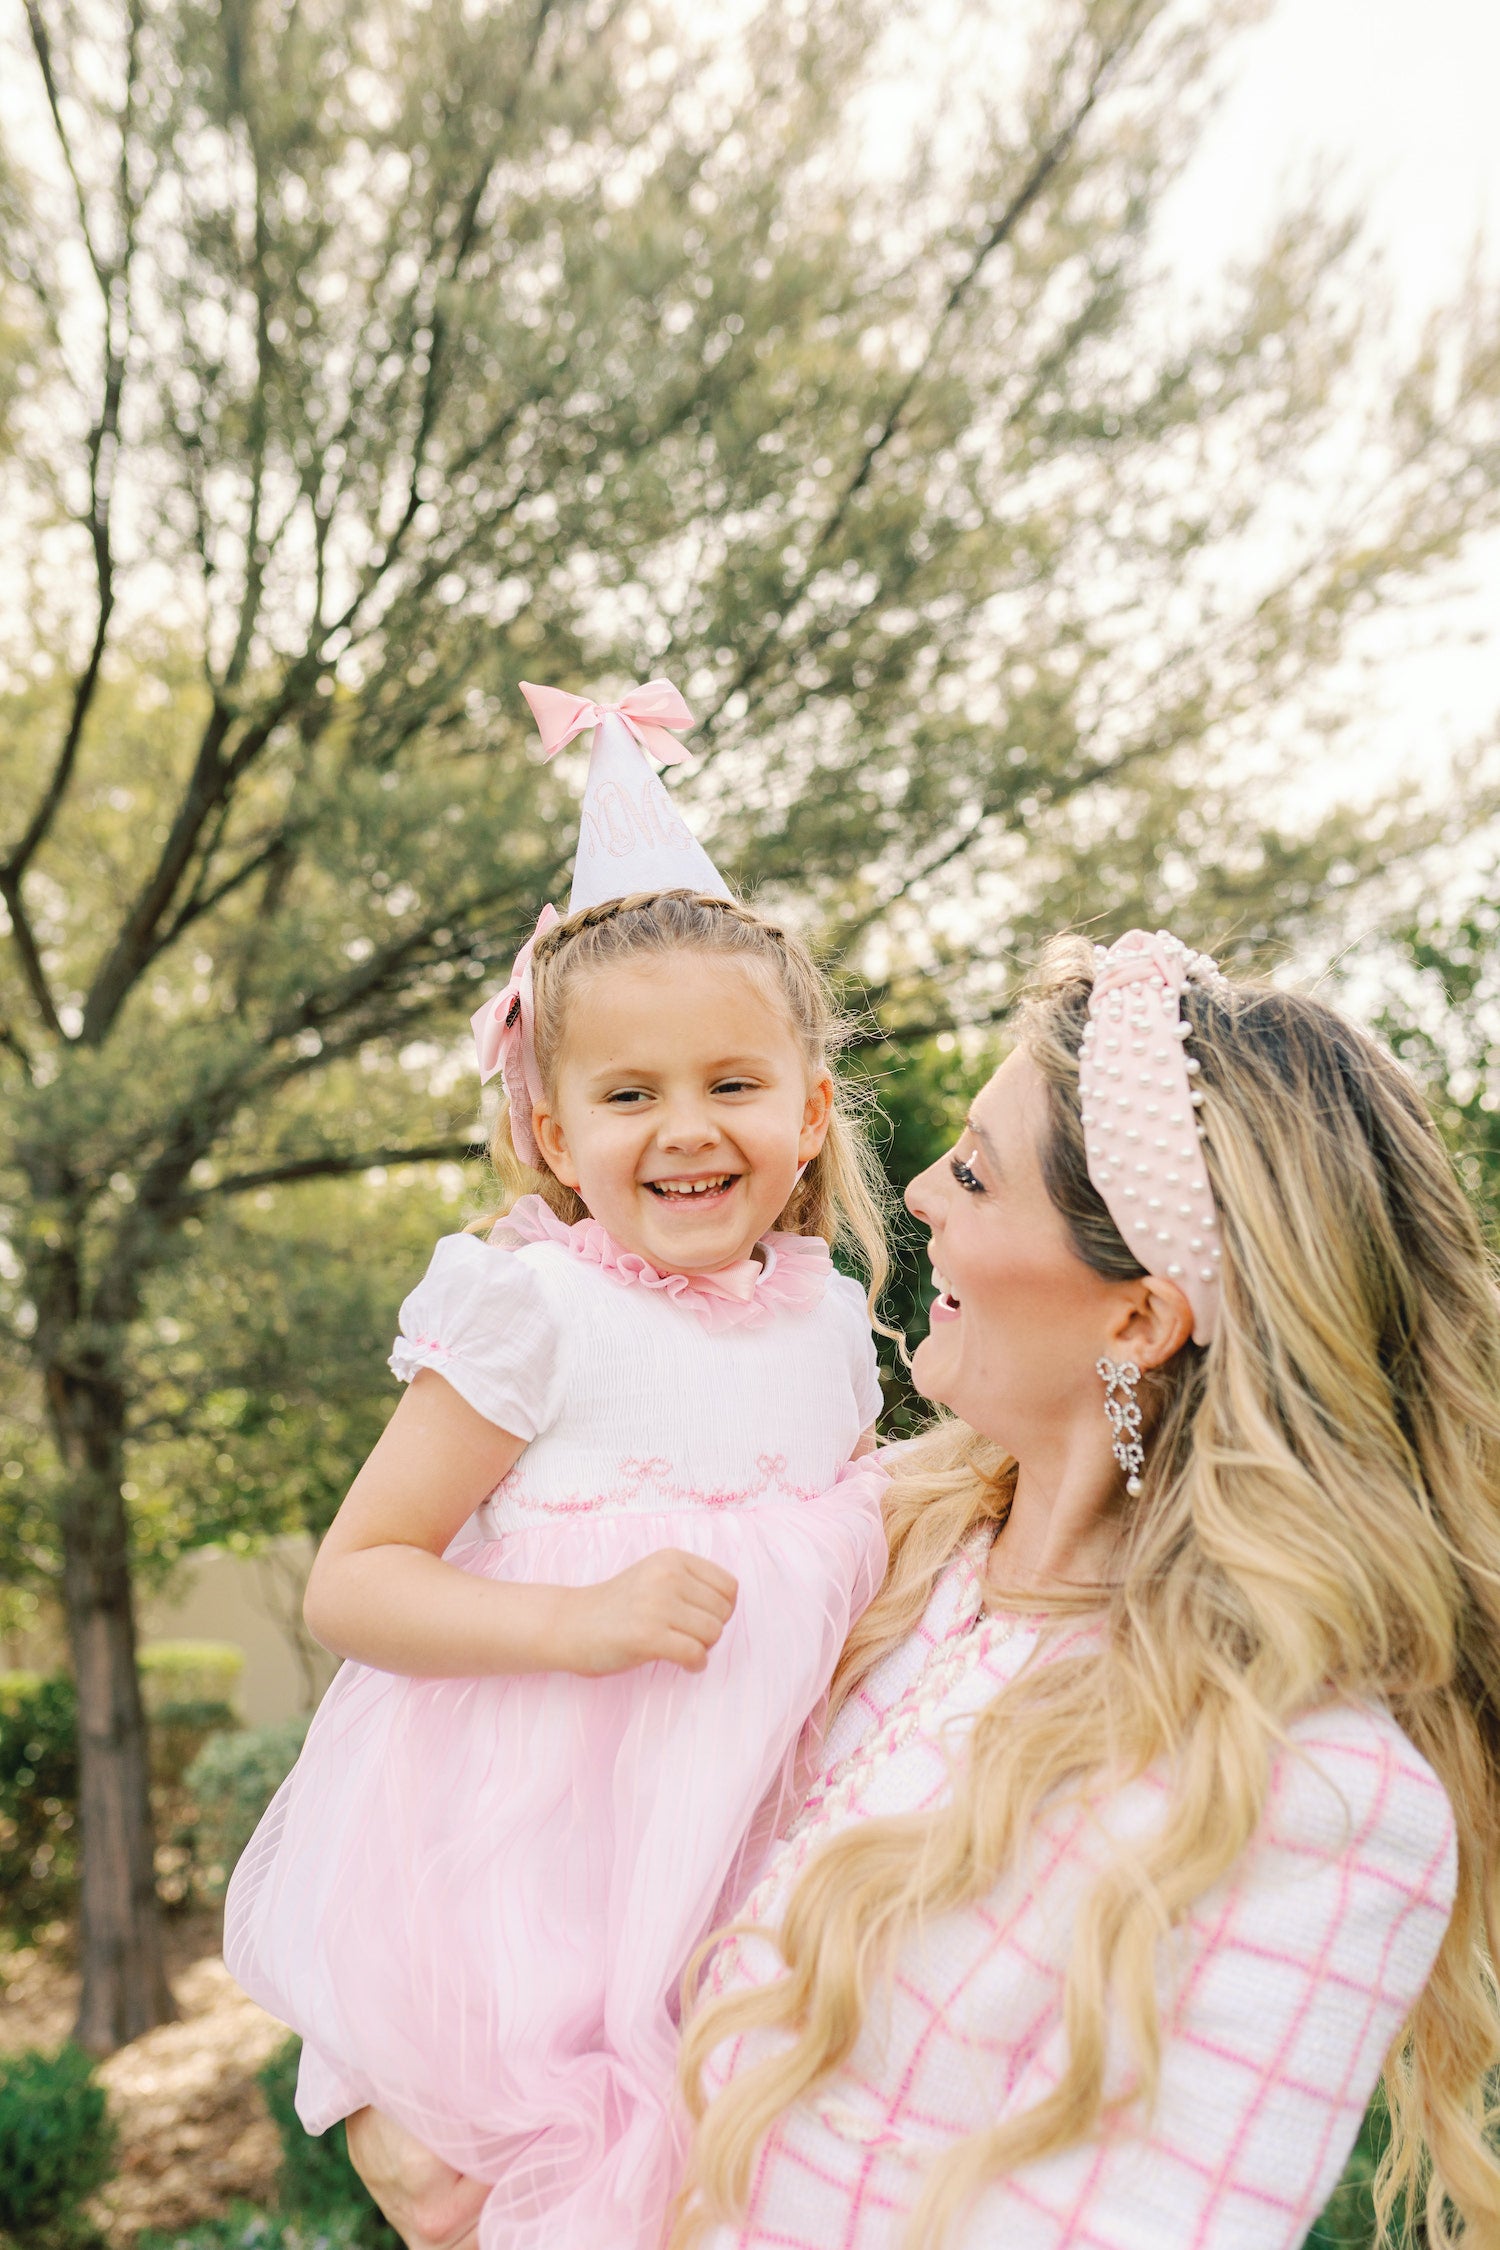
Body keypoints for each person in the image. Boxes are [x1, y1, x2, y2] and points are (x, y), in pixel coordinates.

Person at [347, 930, 1500, 2250]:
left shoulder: (1312, 1789)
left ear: (1137, 1319)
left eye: (975, 1170)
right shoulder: (859, 1541)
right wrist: (370, 2074)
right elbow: (475, 1780)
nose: (920, 1194)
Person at [222, 682, 892, 2250]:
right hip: (531, 1878)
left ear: (807, 1109)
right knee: (509, 2194)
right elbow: (354, 1578)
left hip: (750, 1857)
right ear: (546, 1122)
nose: (686, 1130)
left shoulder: (838, 1322)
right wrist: (571, 1621)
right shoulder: (533, 1308)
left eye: (731, 1084)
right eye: (629, 1094)